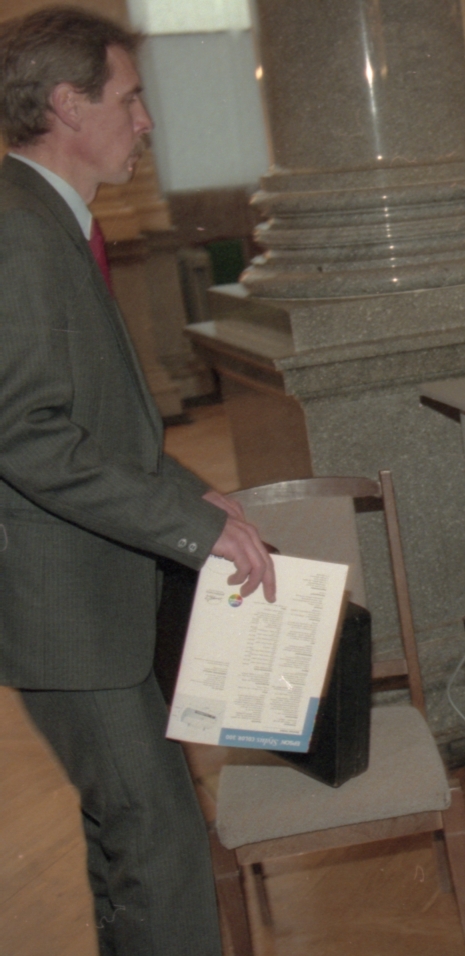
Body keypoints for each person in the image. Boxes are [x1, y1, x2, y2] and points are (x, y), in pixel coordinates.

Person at [0, 8, 275, 954]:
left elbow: (96, 421)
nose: (147, 120)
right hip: (65, 614)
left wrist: (190, 490)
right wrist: (188, 527)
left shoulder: (46, 218)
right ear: (67, 105)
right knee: (160, 845)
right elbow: (24, 432)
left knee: (125, 838)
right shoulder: (20, 232)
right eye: (129, 99)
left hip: (90, 602)